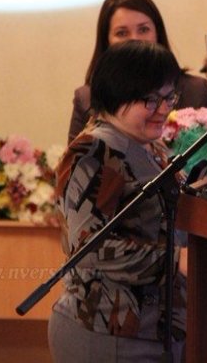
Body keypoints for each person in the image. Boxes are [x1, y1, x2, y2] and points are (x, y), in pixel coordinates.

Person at [49, 41, 187, 363]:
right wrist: (176, 260)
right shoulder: (94, 151)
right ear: (116, 94)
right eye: (151, 100)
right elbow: (89, 250)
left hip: (150, 332)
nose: (164, 109)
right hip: (107, 335)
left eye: (169, 97)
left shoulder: (147, 146)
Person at [68, 0, 207, 182]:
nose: (135, 40)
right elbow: (76, 176)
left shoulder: (194, 89)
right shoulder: (87, 98)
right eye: (122, 33)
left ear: (157, 34)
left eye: (143, 29)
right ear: (107, 41)